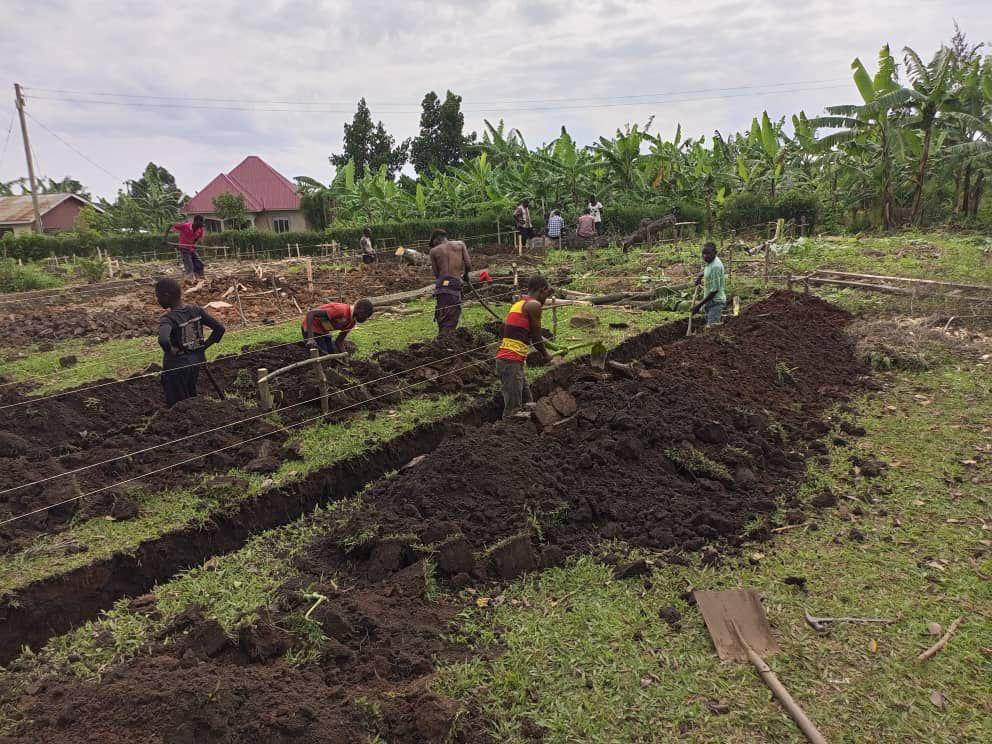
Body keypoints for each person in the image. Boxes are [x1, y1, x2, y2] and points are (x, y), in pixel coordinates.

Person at [155, 277, 225, 408]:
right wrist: (203, 347)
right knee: (190, 396)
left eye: (158, 297)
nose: (157, 300)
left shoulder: (168, 319)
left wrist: (170, 350)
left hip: (176, 367)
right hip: (195, 362)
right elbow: (219, 329)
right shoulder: (196, 310)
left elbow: (163, 339)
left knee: (176, 404)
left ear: (166, 296)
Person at [495, 275, 557, 419]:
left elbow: (504, 330)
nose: (545, 299)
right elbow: (536, 338)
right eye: (547, 294)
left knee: (529, 403)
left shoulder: (520, 303)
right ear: (542, 291)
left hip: (512, 361)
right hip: (510, 362)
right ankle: (508, 435)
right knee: (513, 411)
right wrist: (546, 355)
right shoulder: (534, 305)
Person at [428, 228, 471, 336]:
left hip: (441, 285)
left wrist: (444, 280)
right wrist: (465, 275)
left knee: (442, 310)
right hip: (454, 283)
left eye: (434, 242)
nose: (434, 245)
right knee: (453, 311)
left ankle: (444, 336)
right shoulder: (460, 245)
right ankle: (447, 338)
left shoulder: (433, 251)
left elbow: (436, 273)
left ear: (438, 238)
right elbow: (468, 264)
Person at [302, 299, 374, 355]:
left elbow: (339, 341)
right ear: (360, 310)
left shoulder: (351, 323)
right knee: (323, 354)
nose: (365, 319)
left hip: (324, 330)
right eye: (366, 316)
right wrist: (310, 339)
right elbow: (311, 313)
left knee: (330, 353)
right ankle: (304, 345)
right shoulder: (341, 310)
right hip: (312, 327)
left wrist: (344, 355)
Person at [692, 242, 727, 326]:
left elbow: (714, 291)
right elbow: (708, 270)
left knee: (711, 329)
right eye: (703, 253)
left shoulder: (716, 266)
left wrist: (698, 306)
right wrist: (700, 275)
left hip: (716, 302)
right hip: (709, 301)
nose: (705, 256)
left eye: (708, 253)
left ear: (715, 253)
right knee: (709, 327)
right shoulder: (710, 261)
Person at [166, 215, 206, 282]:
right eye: (201, 222)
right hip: (184, 248)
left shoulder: (200, 229)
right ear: (196, 221)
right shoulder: (185, 226)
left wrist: (195, 244)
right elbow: (171, 225)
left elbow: (198, 238)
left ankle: (200, 278)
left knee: (199, 263)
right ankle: (189, 279)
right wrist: (165, 238)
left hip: (192, 248)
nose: (203, 224)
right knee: (189, 264)